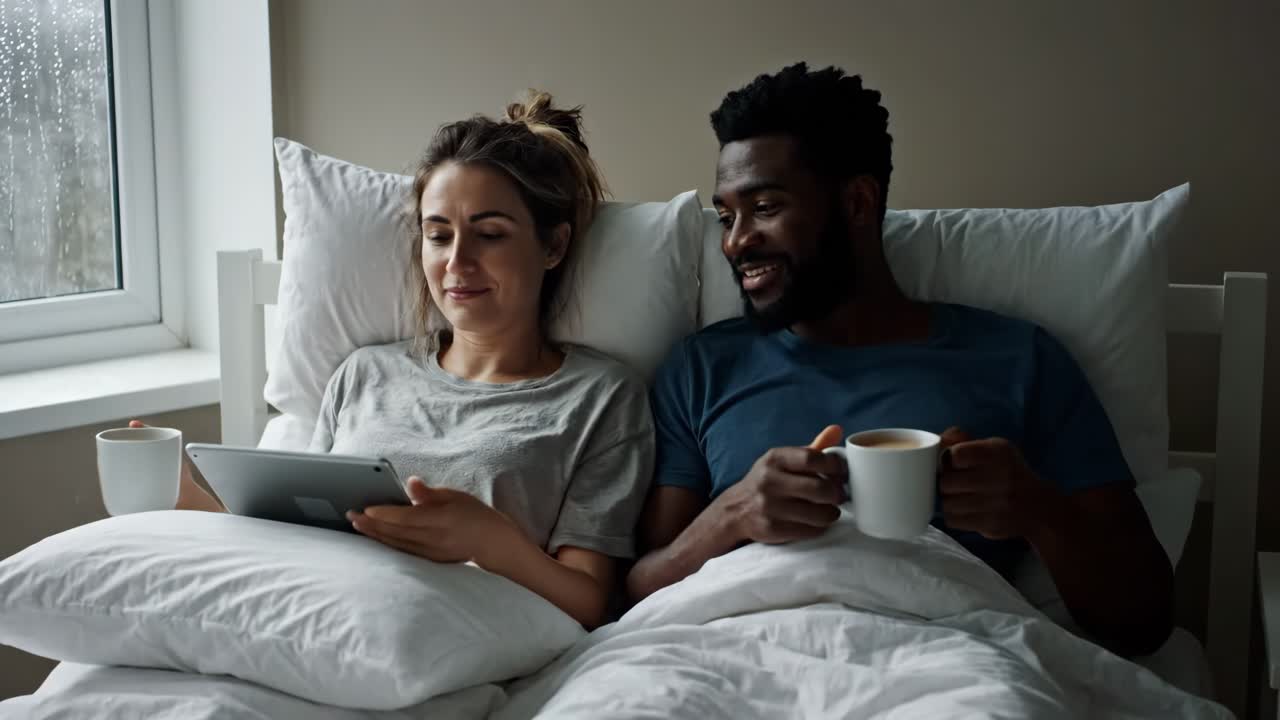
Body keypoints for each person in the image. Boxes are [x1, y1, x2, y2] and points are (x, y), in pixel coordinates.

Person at [625, 63, 1174, 657]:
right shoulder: (702, 368)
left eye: (764, 206)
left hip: (940, 659)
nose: (735, 241)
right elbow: (633, 598)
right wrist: (731, 514)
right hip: (730, 657)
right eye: (727, 216)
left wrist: (1036, 509)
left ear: (858, 202)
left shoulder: (1017, 359)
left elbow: (1145, 619)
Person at [140, 91, 654, 630]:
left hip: (466, 644)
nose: (457, 262)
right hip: (318, 624)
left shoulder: (602, 398)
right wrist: (193, 501)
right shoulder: (364, 374)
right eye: (438, 235)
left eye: (490, 235)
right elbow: (296, 546)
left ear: (553, 246)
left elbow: (593, 603)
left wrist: (490, 541)